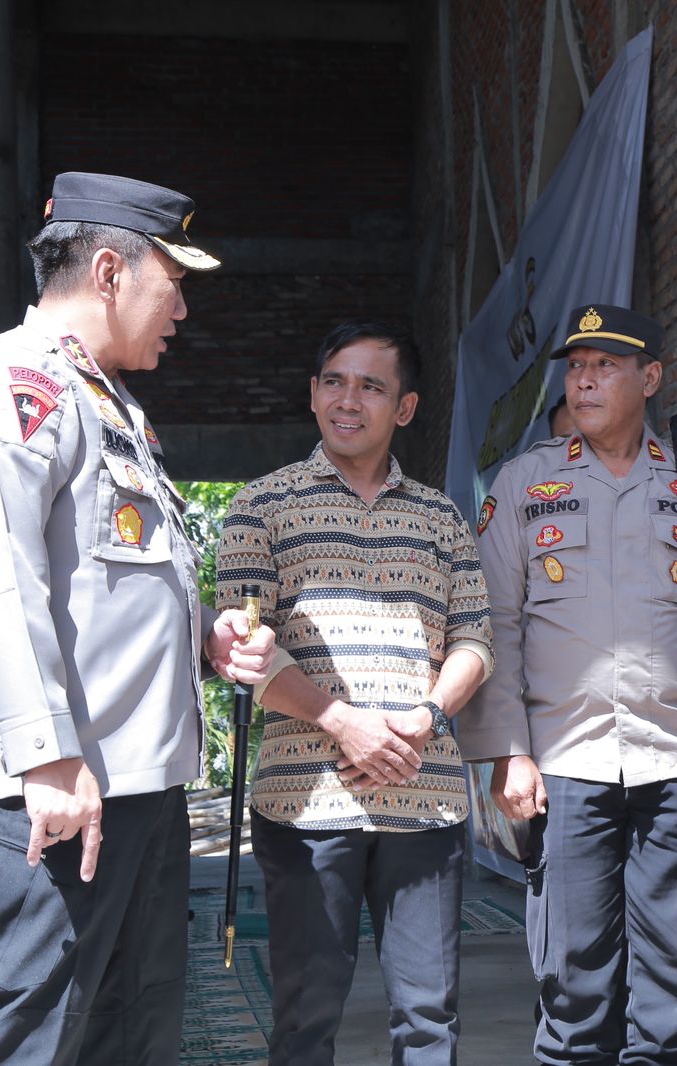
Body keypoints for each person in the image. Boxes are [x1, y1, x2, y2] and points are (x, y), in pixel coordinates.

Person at [0, 172, 275, 1064]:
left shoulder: (110, 402)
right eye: (176, 284)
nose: (183, 312)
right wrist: (45, 754)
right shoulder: (10, 385)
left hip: (134, 786)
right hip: (51, 790)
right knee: (35, 1033)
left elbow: (109, 580)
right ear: (113, 270)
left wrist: (203, 642)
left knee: (132, 1021)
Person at [462, 304, 677, 1065]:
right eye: (577, 367)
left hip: (674, 764)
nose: (585, 379)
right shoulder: (523, 483)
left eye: (605, 365)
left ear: (651, 378)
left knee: (673, 982)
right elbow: (493, 624)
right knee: (573, 984)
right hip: (564, 766)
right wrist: (507, 752)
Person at [215, 320, 493, 1065]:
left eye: (371, 386)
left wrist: (427, 715)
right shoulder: (259, 507)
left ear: (403, 408)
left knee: (430, 1022)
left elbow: (474, 641)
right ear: (312, 394)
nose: (348, 399)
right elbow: (242, 654)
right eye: (334, 381)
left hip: (423, 794)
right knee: (306, 1021)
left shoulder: (442, 518)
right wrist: (344, 723)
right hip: (306, 803)